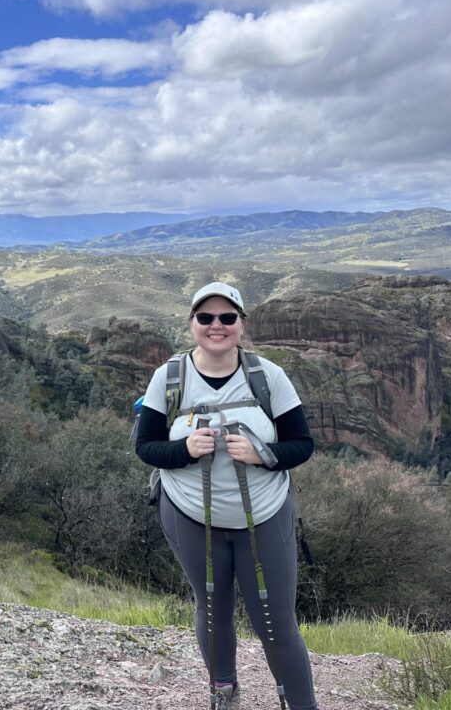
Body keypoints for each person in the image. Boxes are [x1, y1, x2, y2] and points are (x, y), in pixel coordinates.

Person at [136, 282, 319, 710]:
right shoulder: (169, 376)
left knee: (275, 619)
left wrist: (263, 454)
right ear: (192, 324)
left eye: (227, 318)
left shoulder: (267, 376)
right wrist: (184, 449)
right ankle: (224, 689)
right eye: (206, 318)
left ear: (241, 324)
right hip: (189, 512)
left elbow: (301, 444)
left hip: (264, 513)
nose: (216, 326)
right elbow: (145, 447)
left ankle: (300, 704)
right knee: (213, 605)